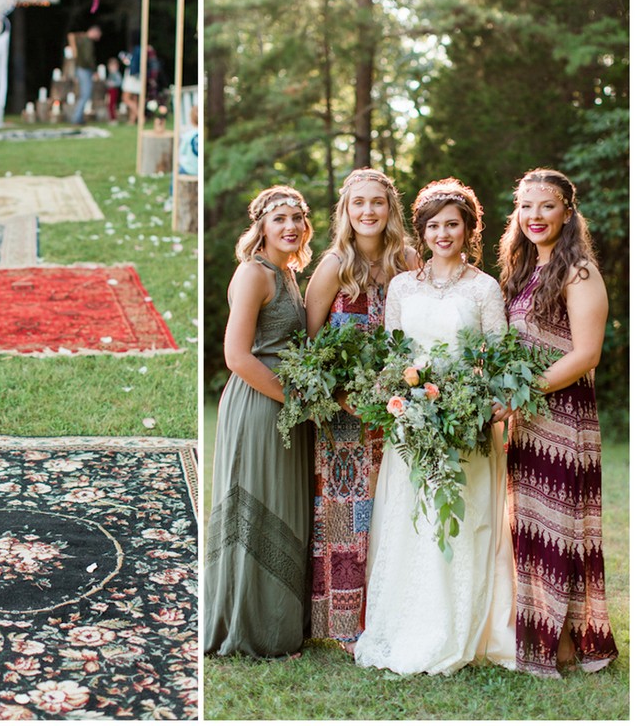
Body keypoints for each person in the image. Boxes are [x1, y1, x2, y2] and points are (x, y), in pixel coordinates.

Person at [354, 178, 516, 675]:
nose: (443, 234)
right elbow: (393, 357)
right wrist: (402, 399)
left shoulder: (485, 288)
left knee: (462, 521)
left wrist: (479, 405)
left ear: (469, 230)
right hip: (412, 426)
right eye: (434, 226)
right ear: (421, 231)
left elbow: (501, 358)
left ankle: (457, 627)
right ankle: (403, 623)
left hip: (466, 427)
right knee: (412, 521)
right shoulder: (403, 286)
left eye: (453, 225)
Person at [497, 168, 617, 677]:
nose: (534, 216)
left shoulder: (579, 271)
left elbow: (587, 354)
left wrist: (522, 394)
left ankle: (566, 638)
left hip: (563, 419)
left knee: (560, 527)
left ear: (567, 211)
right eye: (526, 206)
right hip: (525, 420)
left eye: (546, 206)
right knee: (528, 526)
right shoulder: (522, 272)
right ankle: (540, 632)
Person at [303, 169, 419, 652]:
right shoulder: (333, 266)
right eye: (358, 204)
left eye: (377, 202)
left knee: (394, 512)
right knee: (347, 514)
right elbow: (309, 346)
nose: (368, 211)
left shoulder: (408, 262)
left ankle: (396, 613)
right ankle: (347, 623)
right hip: (345, 419)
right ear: (346, 212)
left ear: (390, 208)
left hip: (398, 413)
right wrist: (342, 396)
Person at [205, 186, 314, 658]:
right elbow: (235, 355)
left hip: (286, 408)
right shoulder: (254, 274)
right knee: (255, 508)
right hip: (259, 403)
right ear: (262, 227)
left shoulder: (288, 274)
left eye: (296, 218)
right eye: (278, 219)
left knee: (284, 508)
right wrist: (293, 399)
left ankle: (280, 623)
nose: (289, 226)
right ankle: (248, 625)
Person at [66, 23, 100, 125]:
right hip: (84, 69)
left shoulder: (82, 39)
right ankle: (76, 118)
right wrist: (94, 70)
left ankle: (78, 118)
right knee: (85, 94)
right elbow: (87, 57)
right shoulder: (86, 41)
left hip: (81, 68)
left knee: (84, 94)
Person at [106, 55, 122, 122]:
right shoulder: (110, 74)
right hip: (110, 90)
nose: (111, 68)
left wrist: (112, 84)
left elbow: (119, 83)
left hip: (114, 90)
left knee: (112, 105)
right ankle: (111, 118)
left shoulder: (117, 74)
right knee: (109, 104)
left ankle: (114, 119)